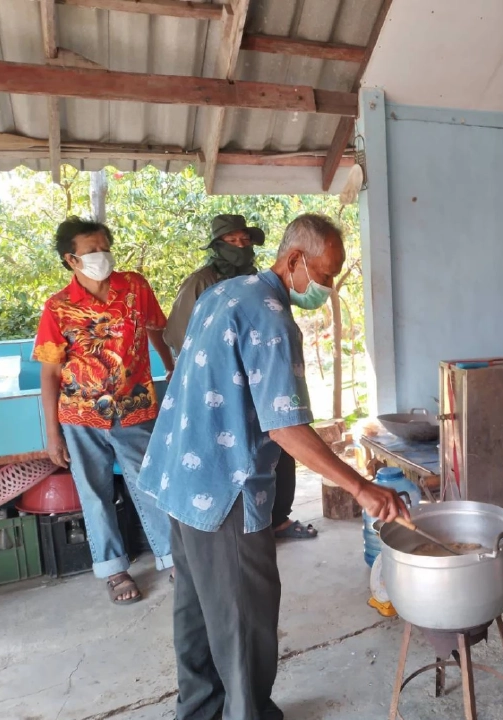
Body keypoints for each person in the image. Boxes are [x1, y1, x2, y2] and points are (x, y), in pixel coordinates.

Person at [137, 213, 408, 720]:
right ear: (294, 259)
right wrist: (361, 486)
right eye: (323, 276)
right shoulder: (271, 318)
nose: (325, 289)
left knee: (196, 612)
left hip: (178, 475)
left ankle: (199, 711)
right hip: (225, 490)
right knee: (244, 619)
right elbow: (285, 427)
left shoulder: (224, 293)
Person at [33, 216, 176, 605]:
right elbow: (49, 374)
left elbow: (154, 329)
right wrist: (52, 434)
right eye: (91, 250)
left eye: (104, 247)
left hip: (136, 408)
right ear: (71, 260)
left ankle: (172, 558)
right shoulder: (58, 308)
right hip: (80, 418)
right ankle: (114, 570)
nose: (101, 256)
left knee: (150, 484)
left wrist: (170, 364)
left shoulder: (134, 288)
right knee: (94, 493)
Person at [164, 215, 315, 541]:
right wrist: (360, 488)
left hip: (266, 387)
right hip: (223, 393)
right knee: (243, 467)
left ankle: (277, 517)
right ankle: (250, 526)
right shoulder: (202, 284)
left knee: (278, 456)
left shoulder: (259, 281)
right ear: (217, 246)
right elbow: (184, 337)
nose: (240, 247)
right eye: (232, 242)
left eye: (245, 240)